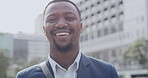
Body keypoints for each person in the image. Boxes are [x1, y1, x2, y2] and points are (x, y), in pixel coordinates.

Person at [16, 0, 119, 78]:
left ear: (80, 27)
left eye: (69, 18)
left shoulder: (106, 72)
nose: (61, 24)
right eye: (52, 19)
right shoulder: (24, 76)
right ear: (44, 30)